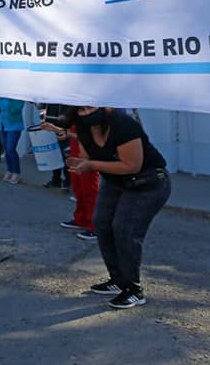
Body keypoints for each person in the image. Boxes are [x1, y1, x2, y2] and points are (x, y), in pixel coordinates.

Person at [64, 106, 171, 309]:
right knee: (101, 224)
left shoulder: (123, 125)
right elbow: (89, 157)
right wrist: (80, 162)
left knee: (125, 230)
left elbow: (132, 165)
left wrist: (92, 165)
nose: (86, 112)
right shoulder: (84, 128)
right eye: (81, 109)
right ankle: (118, 280)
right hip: (116, 182)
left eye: (90, 107)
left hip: (146, 183)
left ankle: (134, 289)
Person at [41, 117, 99, 241]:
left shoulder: (94, 115)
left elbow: (87, 137)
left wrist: (62, 131)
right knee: (79, 190)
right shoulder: (79, 112)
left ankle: (95, 226)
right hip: (76, 153)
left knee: (90, 191)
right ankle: (81, 219)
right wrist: (56, 129)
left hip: (88, 156)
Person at [0, 97, 25, 184]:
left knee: (11, 148)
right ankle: (9, 170)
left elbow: (16, 110)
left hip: (14, 126)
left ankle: (16, 172)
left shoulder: (18, 97)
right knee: (7, 149)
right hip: (2, 125)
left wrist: (11, 98)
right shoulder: (2, 97)